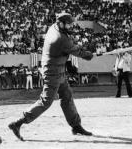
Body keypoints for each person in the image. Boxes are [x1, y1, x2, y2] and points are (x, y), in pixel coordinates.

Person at [8, 12, 94, 141]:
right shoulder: (60, 38)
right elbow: (77, 51)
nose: (71, 27)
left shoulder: (53, 27)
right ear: (61, 23)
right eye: (69, 24)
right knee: (46, 101)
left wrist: (75, 57)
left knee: (67, 95)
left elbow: (69, 48)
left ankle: (75, 125)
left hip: (58, 69)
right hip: (53, 72)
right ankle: (17, 123)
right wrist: (89, 54)